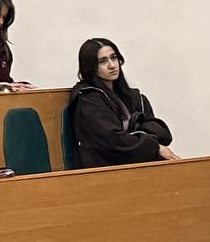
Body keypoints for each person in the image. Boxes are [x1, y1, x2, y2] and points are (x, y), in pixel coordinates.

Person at [68, 38, 178, 168]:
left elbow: (163, 133)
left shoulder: (134, 97)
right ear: (90, 67)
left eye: (114, 58)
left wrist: (136, 137)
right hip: (106, 171)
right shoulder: (88, 99)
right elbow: (114, 141)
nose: (112, 65)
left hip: (137, 165)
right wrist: (155, 147)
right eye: (102, 61)